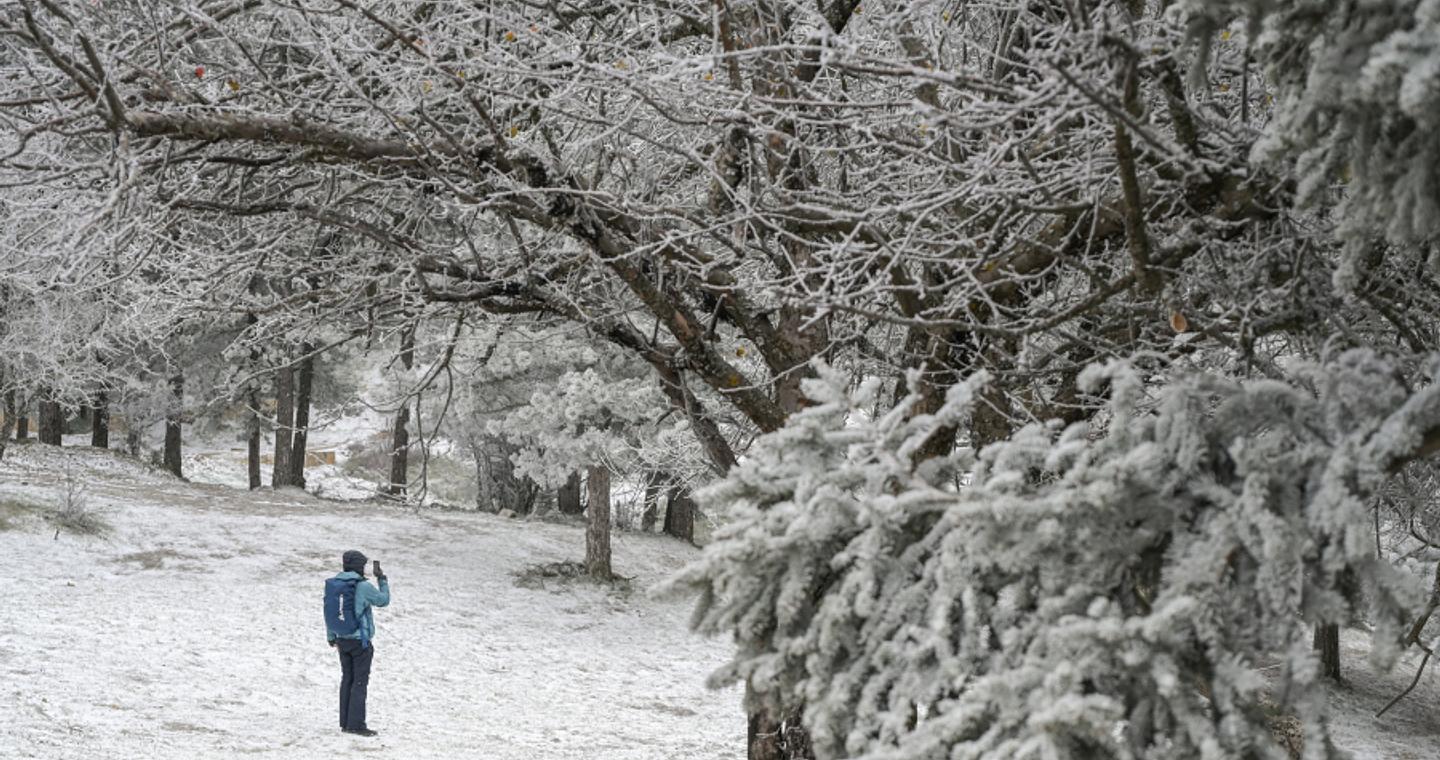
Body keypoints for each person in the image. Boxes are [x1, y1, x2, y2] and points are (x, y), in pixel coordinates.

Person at [326, 549, 390, 737]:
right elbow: (383, 601)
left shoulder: (334, 585)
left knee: (347, 679)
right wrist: (382, 580)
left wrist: (332, 637)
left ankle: (345, 722)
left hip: (341, 640)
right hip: (360, 642)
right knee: (359, 682)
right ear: (359, 567)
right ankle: (356, 725)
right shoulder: (362, 586)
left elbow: (329, 612)